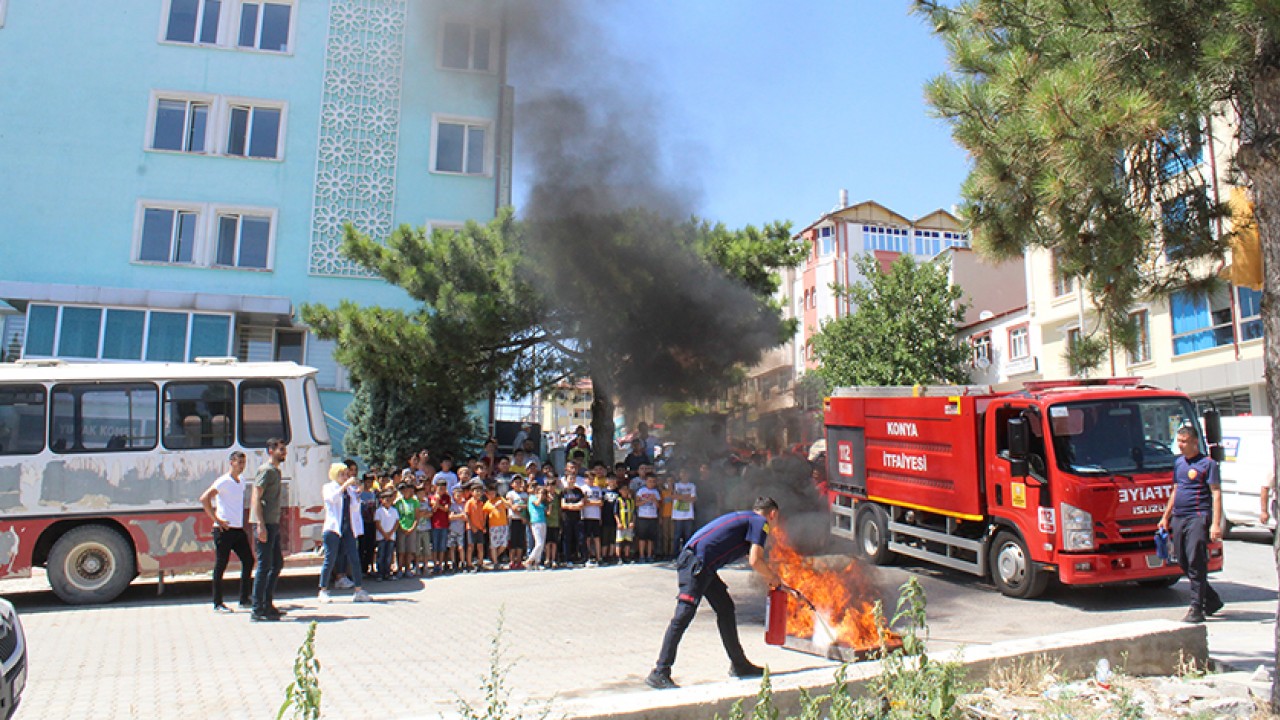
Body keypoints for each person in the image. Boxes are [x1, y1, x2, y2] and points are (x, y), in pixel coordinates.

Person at [645, 497, 784, 690]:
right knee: (683, 615)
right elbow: (755, 560)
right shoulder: (761, 522)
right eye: (777, 519)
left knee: (726, 608)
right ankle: (660, 671)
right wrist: (773, 577)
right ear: (773, 514)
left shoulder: (746, 519)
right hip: (697, 565)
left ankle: (739, 664)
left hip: (703, 565)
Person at [1158, 425, 1225, 624]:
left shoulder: (1207, 464)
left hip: (1198, 516)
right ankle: (1211, 599)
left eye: (1184, 441)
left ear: (1195, 442)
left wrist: (1215, 524)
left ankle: (1197, 608)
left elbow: (1216, 493)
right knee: (1182, 560)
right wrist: (1165, 516)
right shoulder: (1179, 463)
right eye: (1178, 441)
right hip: (1179, 517)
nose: (1181, 445)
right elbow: (1176, 490)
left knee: (1196, 559)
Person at [200, 450, 254, 613]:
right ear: (231, 463)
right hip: (223, 530)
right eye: (239, 463)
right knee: (221, 565)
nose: (241, 466)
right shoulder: (223, 481)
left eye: (243, 463)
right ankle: (217, 603)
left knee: (248, 560)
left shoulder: (241, 481)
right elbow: (204, 498)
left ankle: (244, 599)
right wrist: (216, 519)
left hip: (238, 529)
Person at [318, 463, 372, 603]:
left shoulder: (349, 490)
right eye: (342, 474)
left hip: (348, 529)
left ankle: (358, 590)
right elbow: (332, 499)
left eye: (347, 474)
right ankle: (323, 590)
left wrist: (358, 495)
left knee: (354, 558)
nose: (346, 477)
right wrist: (344, 486)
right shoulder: (328, 487)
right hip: (333, 528)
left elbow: (354, 508)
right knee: (330, 559)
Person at [249, 438, 288, 622]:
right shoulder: (266, 470)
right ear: (271, 451)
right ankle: (257, 609)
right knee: (264, 566)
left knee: (277, 563)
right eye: (281, 449)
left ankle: (267, 604)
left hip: (272, 523)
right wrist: (260, 524)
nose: (284, 452)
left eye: (284, 449)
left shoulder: (276, 471)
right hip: (265, 524)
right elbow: (256, 495)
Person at [394, 483, 420, 578]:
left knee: (409, 550)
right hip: (401, 528)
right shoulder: (398, 502)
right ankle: (400, 569)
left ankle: (408, 569)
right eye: (404, 490)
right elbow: (397, 517)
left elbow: (417, 517)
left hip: (411, 528)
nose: (406, 492)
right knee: (401, 550)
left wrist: (412, 528)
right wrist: (401, 527)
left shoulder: (415, 502)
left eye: (407, 490)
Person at [635, 473, 661, 563]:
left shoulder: (656, 492)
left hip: (653, 517)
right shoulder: (641, 491)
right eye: (649, 481)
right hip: (642, 516)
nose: (651, 483)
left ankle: (649, 555)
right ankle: (642, 555)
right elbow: (636, 503)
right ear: (646, 481)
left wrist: (654, 500)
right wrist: (644, 501)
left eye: (653, 481)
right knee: (642, 537)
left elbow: (659, 506)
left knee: (651, 538)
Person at [671, 466, 698, 550]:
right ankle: (675, 554)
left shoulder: (692, 485)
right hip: (677, 514)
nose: (684, 475)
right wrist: (686, 496)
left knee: (688, 535)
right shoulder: (675, 485)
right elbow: (674, 496)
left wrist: (680, 497)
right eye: (682, 473)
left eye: (686, 473)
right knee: (677, 536)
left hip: (688, 515)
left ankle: (687, 553)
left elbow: (693, 499)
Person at [374, 491, 398, 580]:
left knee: (389, 556)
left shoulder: (394, 510)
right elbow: (377, 524)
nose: (388, 501)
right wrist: (384, 534)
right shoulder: (379, 511)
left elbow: (396, 522)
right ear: (381, 500)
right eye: (385, 499)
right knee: (381, 555)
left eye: (389, 499)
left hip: (391, 536)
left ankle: (387, 573)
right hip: (381, 537)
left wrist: (390, 533)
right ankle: (380, 573)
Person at [526, 484, 550, 570]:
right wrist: (539, 497)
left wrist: (549, 502)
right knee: (539, 543)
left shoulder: (543, 502)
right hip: (535, 522)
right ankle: (530, 560)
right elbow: (536, 503)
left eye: (543, 493)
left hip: (543, 521)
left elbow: (547, 513)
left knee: (542, 544)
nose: (542, 495)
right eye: (540, 493)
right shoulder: (532, 498)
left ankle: (537, 562)